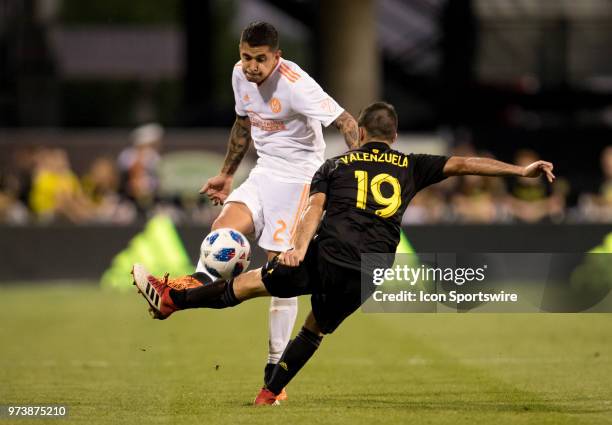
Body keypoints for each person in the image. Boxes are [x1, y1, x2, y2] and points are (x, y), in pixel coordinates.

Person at [132, 101, 555, 405]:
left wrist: (297, 249)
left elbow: (313, 210)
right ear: (394, 134)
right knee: (314, 329)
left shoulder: (335, 165)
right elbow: (465, 163)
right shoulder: (411, 164)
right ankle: (268, 393)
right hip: (370, 272)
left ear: (364, 133)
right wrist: (521, 170)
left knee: (243, 286)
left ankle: (173, 299)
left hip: (326, 256)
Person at [171, 21, 358, 400]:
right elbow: (242, 124)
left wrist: (356, 171)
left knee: (282, 267)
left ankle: (276, 366)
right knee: (222, 231)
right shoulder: (239, 75)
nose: (252, 65)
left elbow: (348, 122)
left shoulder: (296, 84)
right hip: (263, 171)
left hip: (299, 177)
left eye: (260, 59)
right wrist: (226, 174)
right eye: (246, 56)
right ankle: (190, 289)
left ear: (277, 57)